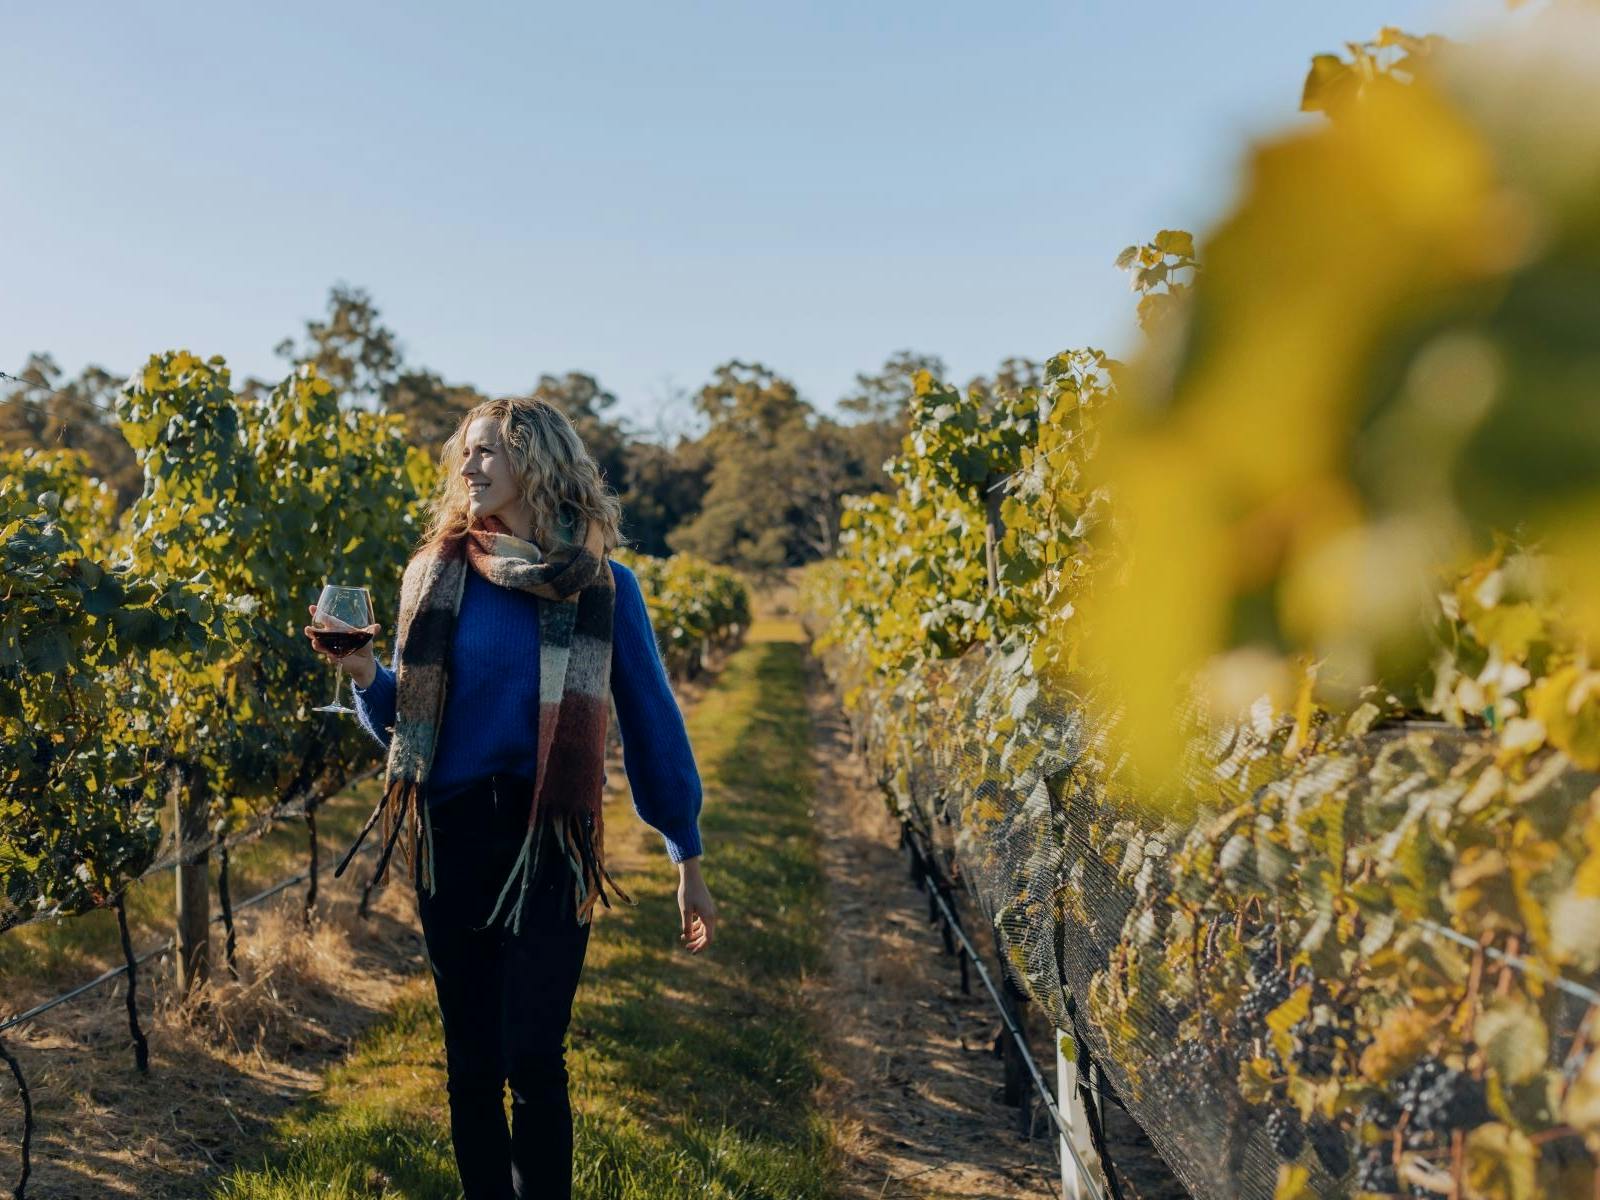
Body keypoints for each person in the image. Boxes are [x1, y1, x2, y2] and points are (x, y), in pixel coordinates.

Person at [304, 395, 718, 1200]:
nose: (468, 468)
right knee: (470, 1062)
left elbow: (653, 723)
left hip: (551, 841)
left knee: (535, 1054)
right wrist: (362, 677)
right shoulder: (433, 577)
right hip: (453, 835)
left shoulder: (604, 589)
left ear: (536, 463)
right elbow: (405, 723)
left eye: (487, 452)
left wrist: (686, 852)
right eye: (466, 452)